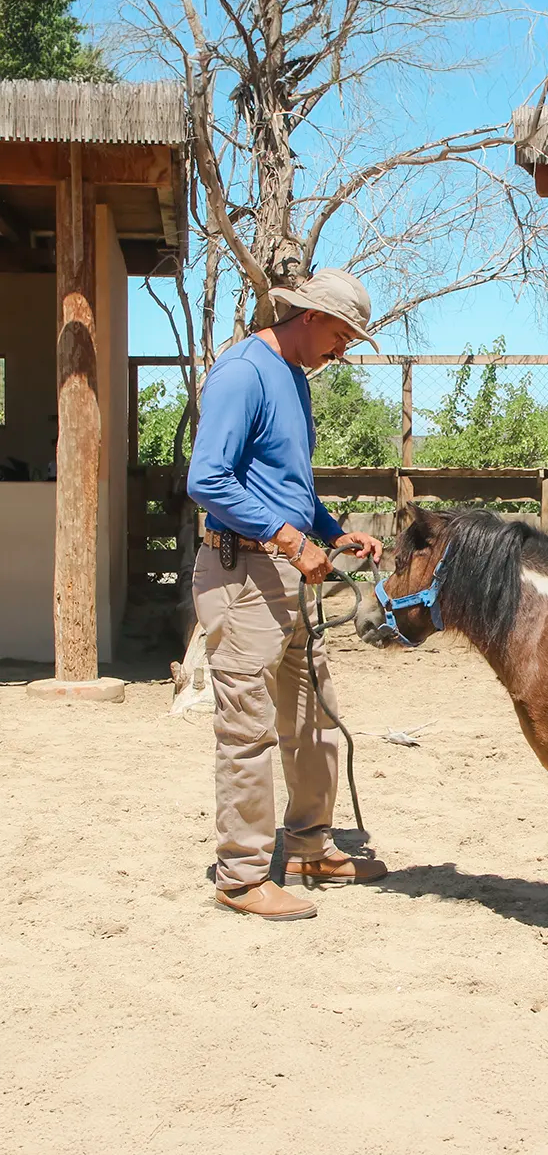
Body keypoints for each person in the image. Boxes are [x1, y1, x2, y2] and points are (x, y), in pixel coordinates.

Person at [187, 268, 389, 921]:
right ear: (308, 318)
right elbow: (209, 478)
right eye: (339, 336)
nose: (342, 351)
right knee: (248, 733)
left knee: (314, 716)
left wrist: (331, 532)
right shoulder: (243, 371)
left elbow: (285, 479)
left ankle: (308, 844)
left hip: (284, 572)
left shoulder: (294, 378)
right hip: (242, 574)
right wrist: (289, 540)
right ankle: (242, 878)